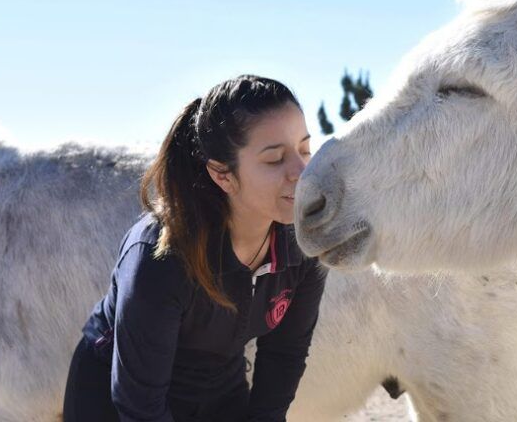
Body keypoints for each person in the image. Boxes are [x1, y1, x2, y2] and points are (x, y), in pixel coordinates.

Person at [63, 75, 326, 421]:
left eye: (305, 149)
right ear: (223, 175)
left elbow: (285, 355)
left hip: (218, 386)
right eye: (275, 159)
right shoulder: (160, 257)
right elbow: (139, 404)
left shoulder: (301, 244)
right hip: (117, 402)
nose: (301, 171)